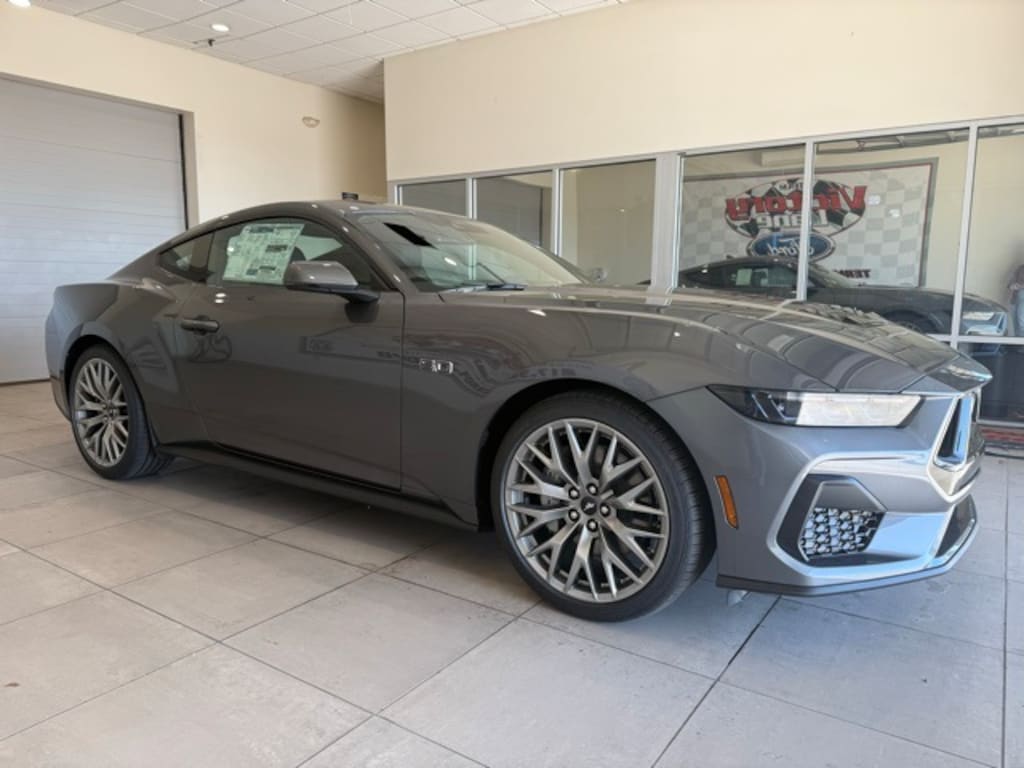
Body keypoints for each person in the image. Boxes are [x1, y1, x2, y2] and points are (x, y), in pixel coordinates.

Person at [1011, 264, 1024, 336]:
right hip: (1014, 301)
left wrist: (1021, 286)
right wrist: (1012, 286)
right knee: (1015, 326)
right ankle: (1017, 344)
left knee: (1022, 325)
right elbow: (1009, 284)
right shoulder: (1020, 268)